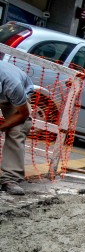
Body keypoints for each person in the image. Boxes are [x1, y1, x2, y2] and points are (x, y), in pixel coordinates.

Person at [0, 61, 34, 196]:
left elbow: (23, 114)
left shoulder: (13, 85)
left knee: (17, 130)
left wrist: (2, 127)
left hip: (15, 100)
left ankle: (10, 178)